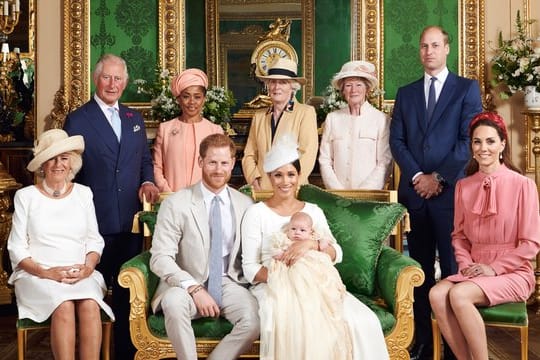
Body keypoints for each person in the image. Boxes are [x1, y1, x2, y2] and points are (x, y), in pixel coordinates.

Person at [242, 134, 389, 360]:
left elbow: (336, 252)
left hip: (319, 284)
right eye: (278, 175)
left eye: (291, 174)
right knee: (296, 321)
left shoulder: (312, 210)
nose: (285, 181)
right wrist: (287, 280)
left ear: (299, 176)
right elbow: (250, 269)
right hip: (275, 286)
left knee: (362, 320)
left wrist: (310, 244)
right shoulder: (256, 213)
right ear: (269, 177)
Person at [389, 25, 483, 360]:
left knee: (454, 272)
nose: (428, 51)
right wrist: (417, 176)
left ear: (447, 49)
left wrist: (438, 178)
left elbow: (466, 142)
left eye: (435, 45)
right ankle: (423, 342)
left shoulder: (466, 89)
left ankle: (455, 344)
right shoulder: (406, 93)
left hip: (449, 197)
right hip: (414, 195)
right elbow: (397, 141)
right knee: (418, 272)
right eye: (423, 46)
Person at [63, 53, 159, 359]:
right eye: (107, 77)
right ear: (96, 79)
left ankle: (126, 353)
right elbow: (69, 170)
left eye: (118, 78)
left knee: (128, 294)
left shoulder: (134, 118)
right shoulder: (78, 119)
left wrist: (147, 182)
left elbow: (144, 160)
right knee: (92, 295)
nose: (112, 84)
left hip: (129, 220)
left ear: (126, 82)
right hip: (94, 223)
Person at [429, 112, 540, 359]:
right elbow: (459, 236)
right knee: (436, 294)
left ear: (502, 144)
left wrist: (494, 268)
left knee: (459, 294)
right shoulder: (463, 186)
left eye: (490, 141)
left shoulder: (523, 185)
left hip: (513, 272)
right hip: (474, 269)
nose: (483, 148)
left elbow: (531, 244)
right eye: (477, 142)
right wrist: (467, 265)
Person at [149, 133, 259, 360]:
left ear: (233, 164)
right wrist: (194, 288)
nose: (218, 169)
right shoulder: (176, 203)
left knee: (253, 320)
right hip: (186, 282)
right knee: (173, 302)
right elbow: (160, 258)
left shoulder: (245, 204)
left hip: (230, 281)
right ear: (200, 162)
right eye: (212, 162)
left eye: (224, 163)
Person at [7, 129, 115, 359]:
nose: (58, 164)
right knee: (64, 304)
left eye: (64, 158)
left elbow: (94, 240)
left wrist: (88, 268)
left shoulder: (84, 194)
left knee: (89, 305)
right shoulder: (26, 197)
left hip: (80, 272)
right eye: (52, 158)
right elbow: (16, 247)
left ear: (72, 163)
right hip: (37, 275)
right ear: (42, 165)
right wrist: (46, 273)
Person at [261, 210, 351, 359]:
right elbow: (275, 252)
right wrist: (280, 254)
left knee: (319, 276)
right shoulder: (284, 239)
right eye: (293, 229)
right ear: (288, 228)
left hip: (313, 266)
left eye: (302, 230)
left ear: (311, 231)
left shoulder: (315, 237)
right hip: (292, 269)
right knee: (294, 279)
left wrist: (315, 244)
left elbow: (331, 248)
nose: (297, 233)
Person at [242, 57, 318, 190]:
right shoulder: (259, 116)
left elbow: (308, 153)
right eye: (272, 82)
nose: (276, 87)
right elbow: (249, 154)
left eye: (282, 82)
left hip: (293, 191)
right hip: (262, 190)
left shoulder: (305, 113)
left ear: (292, 87)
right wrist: (254, 179)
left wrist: (291, 184)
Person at [319, 60, 392, 190]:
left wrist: (365, 192)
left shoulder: (381, 120)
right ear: (342, 90)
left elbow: (384, 162)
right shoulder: (333, 119)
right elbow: (325, 160)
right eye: (348, 85)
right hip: (337, 195)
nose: (353, 90)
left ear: (367, 89)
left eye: (359, 85)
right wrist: (337, 191)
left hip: (369, 196)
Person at [153, 68, 224, 192]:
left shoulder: (215, 130)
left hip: (205, 200)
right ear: (178, 99)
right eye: (186, 96)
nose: (192, 102)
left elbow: (220, 169)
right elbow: (157, 167)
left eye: (197, 97)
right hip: (172, 199)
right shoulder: (165, 129)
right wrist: (168, 193)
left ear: (204, 99)